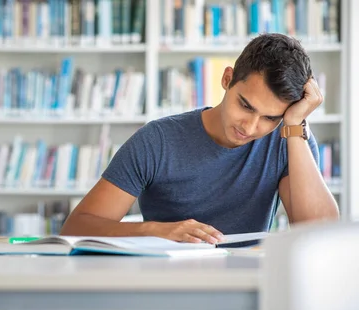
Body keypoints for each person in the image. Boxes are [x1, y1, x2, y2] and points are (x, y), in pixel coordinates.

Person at [60, 33, 339, 244]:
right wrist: (153, 231)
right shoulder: (156, 141)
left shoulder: (289, 139)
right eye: (245, 105)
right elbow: (76, 228)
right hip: (166, 289)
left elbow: (320, 233)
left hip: (247, 291)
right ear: (227, 79)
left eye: (270, 118)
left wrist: (293, 124)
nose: (251, 127)